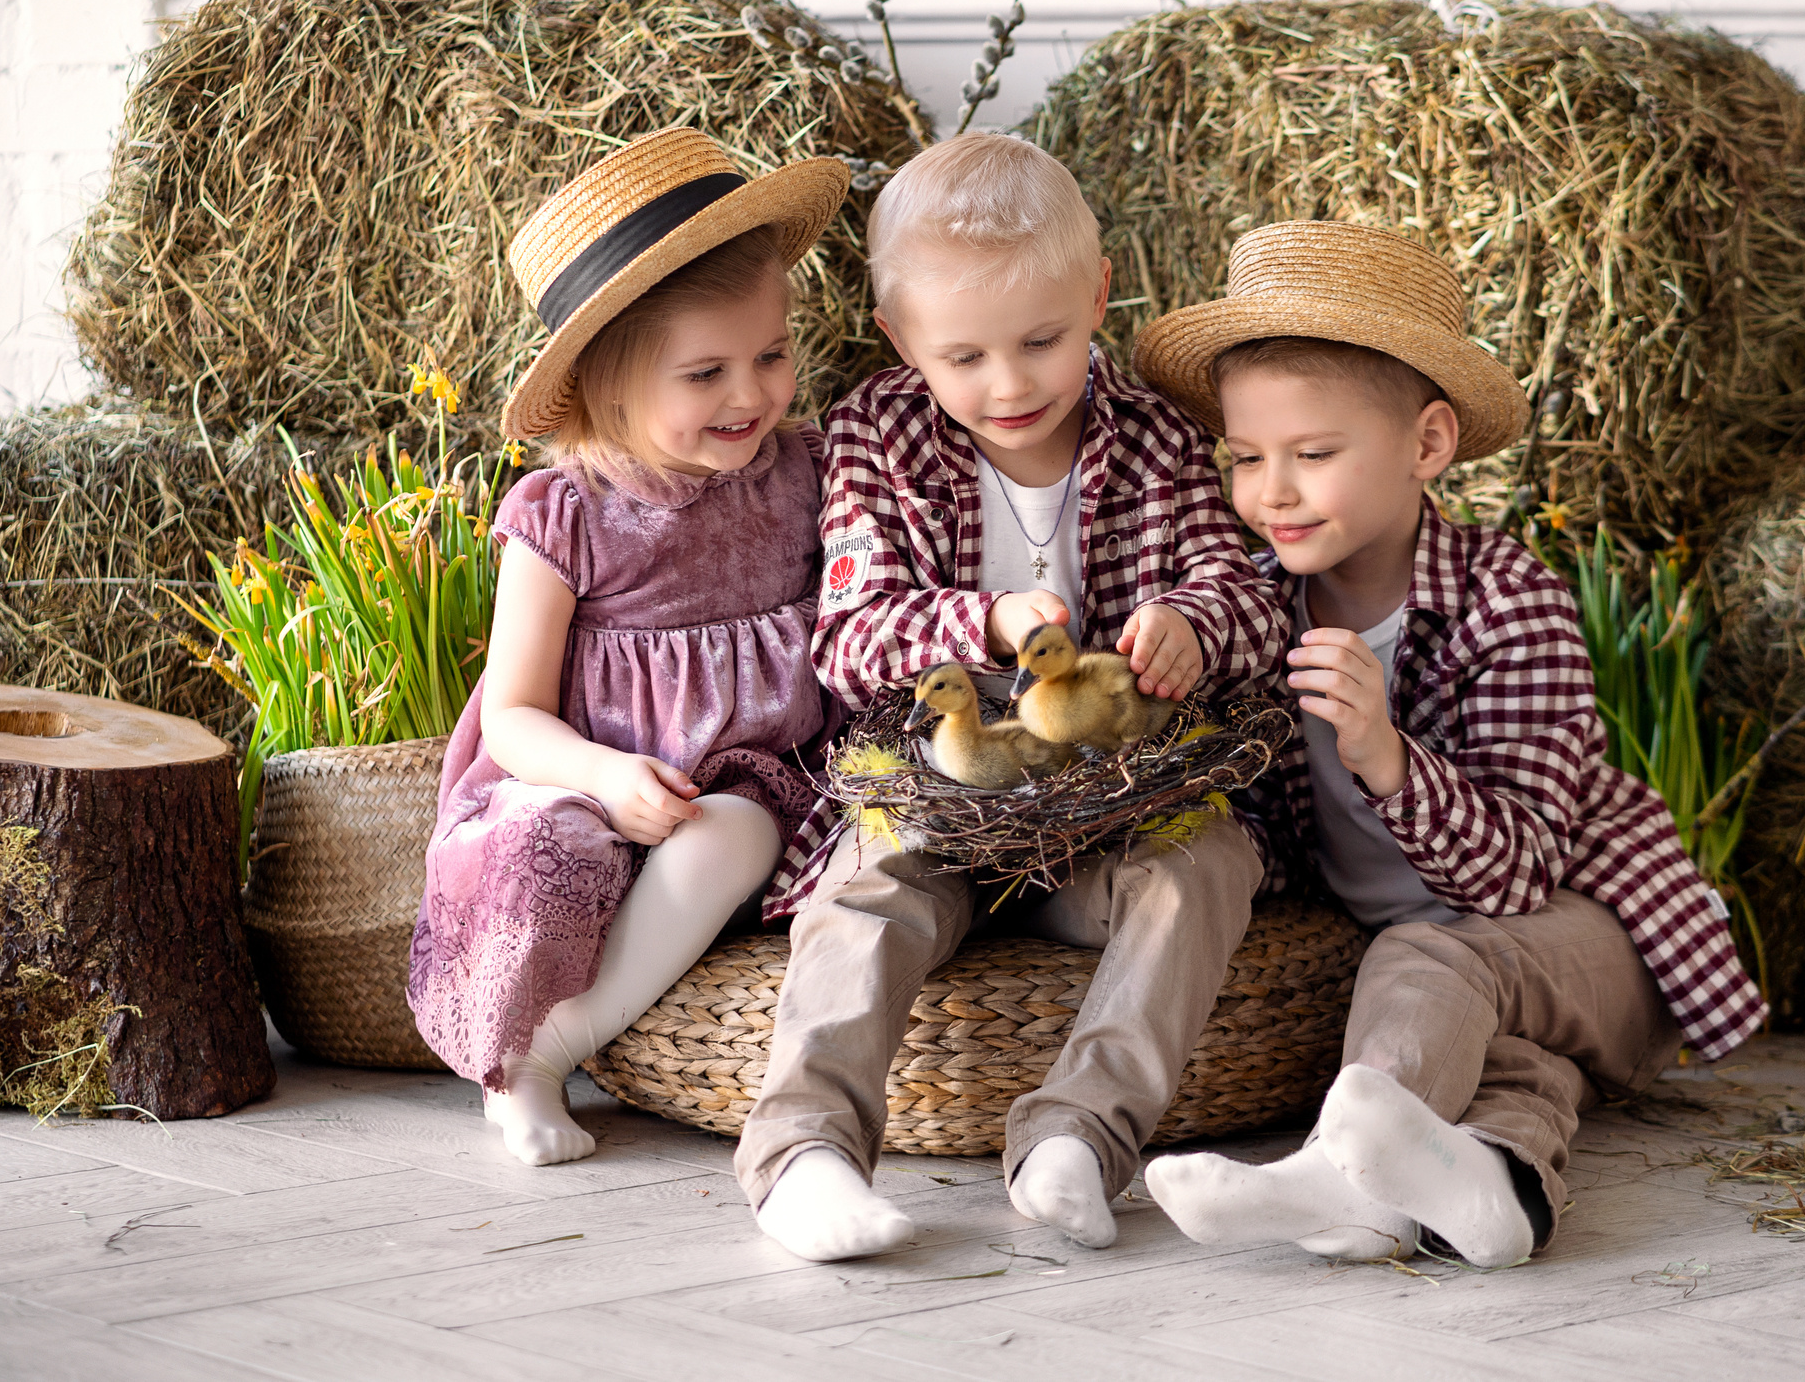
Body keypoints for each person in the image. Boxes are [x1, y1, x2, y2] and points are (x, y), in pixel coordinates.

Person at [1129, 220, 1767, 1266]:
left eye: (1314, 454)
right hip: (1452, 990)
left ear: (1426, 445)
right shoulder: (1264, 597)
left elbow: (1514, 877)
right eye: (1245, 457)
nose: (1271, 491)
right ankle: (1497, 1196)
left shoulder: (1510, 602)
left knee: (1430, 951)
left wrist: (1384, 753)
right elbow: (1223, 630)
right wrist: (1175, 639)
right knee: (1503, 1070)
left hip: (1589, 936)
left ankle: (1333, 1176)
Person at [734, 133, 1287, 1262]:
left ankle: (1079, 1136)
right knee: (865, 888)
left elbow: (1254, 595)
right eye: (966, 356)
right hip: (938, 811)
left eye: (1042, 340)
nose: (1010, 383)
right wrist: (980, 621)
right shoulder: (875, 435)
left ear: (1098, 294)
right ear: (901, 341)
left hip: (1111, 811)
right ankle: (806, 1152)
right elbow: (847, 639)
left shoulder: (1156, 439)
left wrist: (1194, 626)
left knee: (1210, 865)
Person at [407, 128, 844, 1167]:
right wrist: (604, 777)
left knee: (734, 833)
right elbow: (512, 717)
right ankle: (518, 1064)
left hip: (743, 782)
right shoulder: (563, 514)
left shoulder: (805, 477)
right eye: (706, 373)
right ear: (606, 384)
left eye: (772, 355)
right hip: (579, 774)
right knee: (538, 850)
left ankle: (563, 1042)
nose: (751, 395)